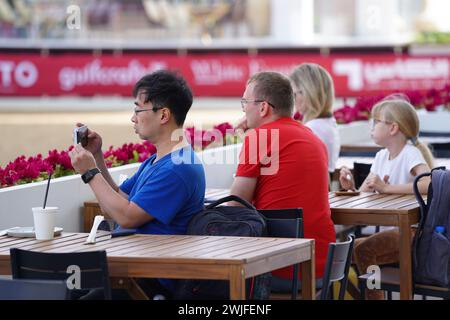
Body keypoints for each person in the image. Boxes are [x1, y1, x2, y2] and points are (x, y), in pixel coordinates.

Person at [69, 70, 206, 299]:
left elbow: (127, 217)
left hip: (149, 280)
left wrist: (90, 172)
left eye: (137, 110)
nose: (133, 118)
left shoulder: (178, 168)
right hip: (131, 268)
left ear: (163, 115)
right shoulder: (160, 160)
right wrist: (97, 156)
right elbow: (115, 203)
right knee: (67, 289)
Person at [230, 71, 336, 292]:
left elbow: (235, 205)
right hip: (325, 266)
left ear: (263, 108)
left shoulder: (260, 138)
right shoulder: (313, 137)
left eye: (245, 102)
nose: (243, 109)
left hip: (284, 268)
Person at [339, 96, 434, 300]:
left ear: (393, 128)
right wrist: (350, 188)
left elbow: (429, 183)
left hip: (412, 234)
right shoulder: (381, 156)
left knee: (364, 249)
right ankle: (365, 294)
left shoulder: (410, 153)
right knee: (347, 249)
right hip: (389, 233)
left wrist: (387, 187)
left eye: (376, 122)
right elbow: (364, 194)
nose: (371, 127)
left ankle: (375, 297)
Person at [289, 63, 340, 174]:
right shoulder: (326, 123)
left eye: (294, 94)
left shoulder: (313, 128)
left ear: (307, 93)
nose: (292, 100)